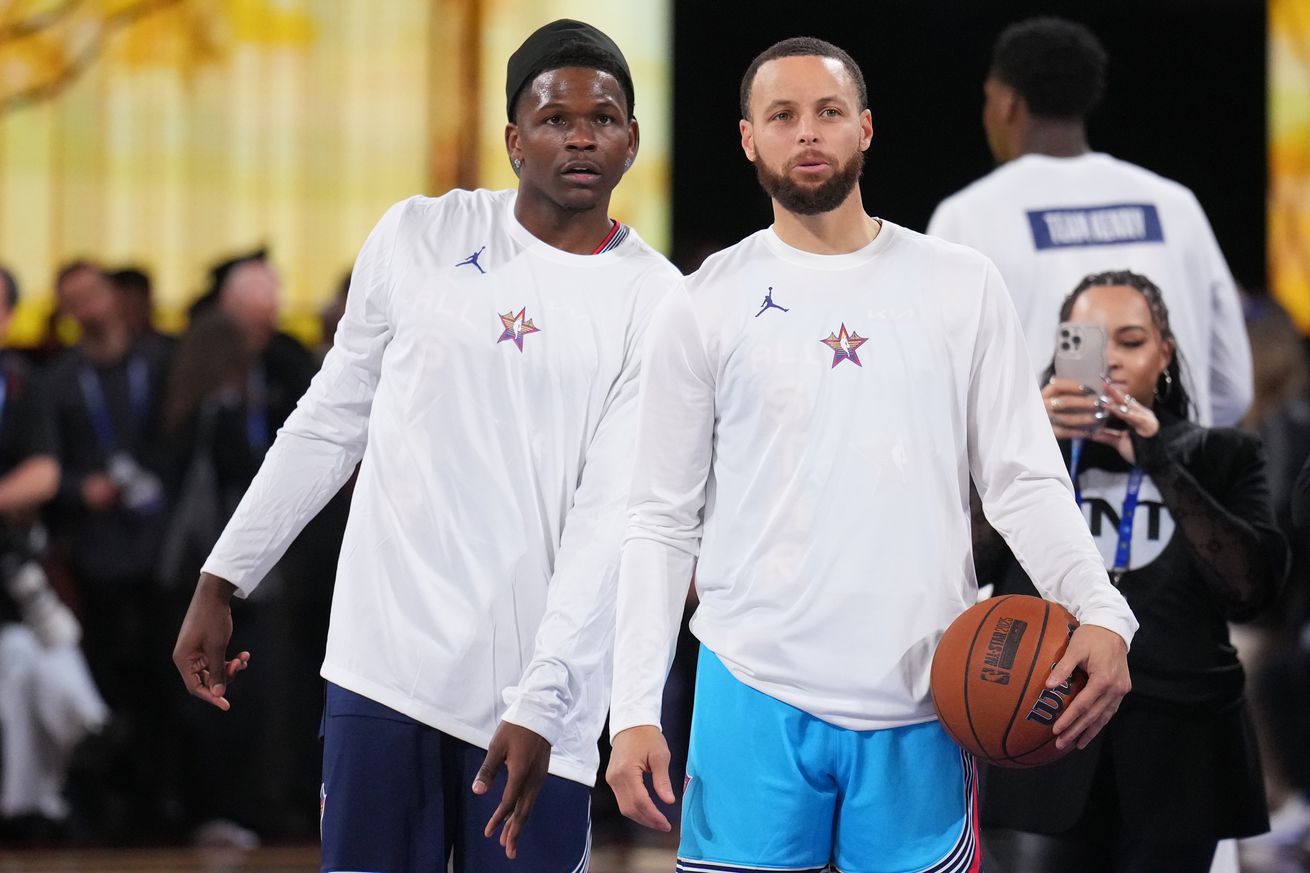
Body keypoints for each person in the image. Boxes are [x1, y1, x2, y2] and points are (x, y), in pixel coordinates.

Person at [605, 36, 1136, 873]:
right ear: (749, 138)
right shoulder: (701, 303)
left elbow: (1023, 481)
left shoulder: (961, 283)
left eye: (829, 112)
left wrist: (1101, 608)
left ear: (866, 129)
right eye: (782, 115)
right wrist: (633, 703)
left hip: (926, 695)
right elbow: (660, 520)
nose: (807, 132)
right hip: (751, 690)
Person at [172, 18, 678, 871]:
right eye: (557, 117)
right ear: (514, 140)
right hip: (384, 668)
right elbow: (330, 418)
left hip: (536, 694)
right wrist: (223, 574)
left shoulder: (660, 301)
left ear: (632, 141)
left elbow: (609, 522)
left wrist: (544, 699)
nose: (582, 135)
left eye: (605, 118)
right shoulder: (417, 235)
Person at [977, 270, 1288, 873]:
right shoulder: (1022, 454)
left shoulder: (1221, 454)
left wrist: (1161, 460)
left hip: (1180, 749)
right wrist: (1022, 445)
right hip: (1045, 734)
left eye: (1131, 340)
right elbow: (969, 561)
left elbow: (1251, 592)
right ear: (1063, 350)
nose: (1111, 361)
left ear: (1165, 353)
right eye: (1090, 342)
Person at [927, 16, 1252, 428]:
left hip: (1041, 485)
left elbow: (936, 386)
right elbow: (1234, 388)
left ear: (1008, 102)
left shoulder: (969, 215)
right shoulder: (1175, 206)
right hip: (1175, 480)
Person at [0, 265, 109, 838]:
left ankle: (42, 805)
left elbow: (41, 475)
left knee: (62, 693)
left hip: (20, 581)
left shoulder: (20, 384)